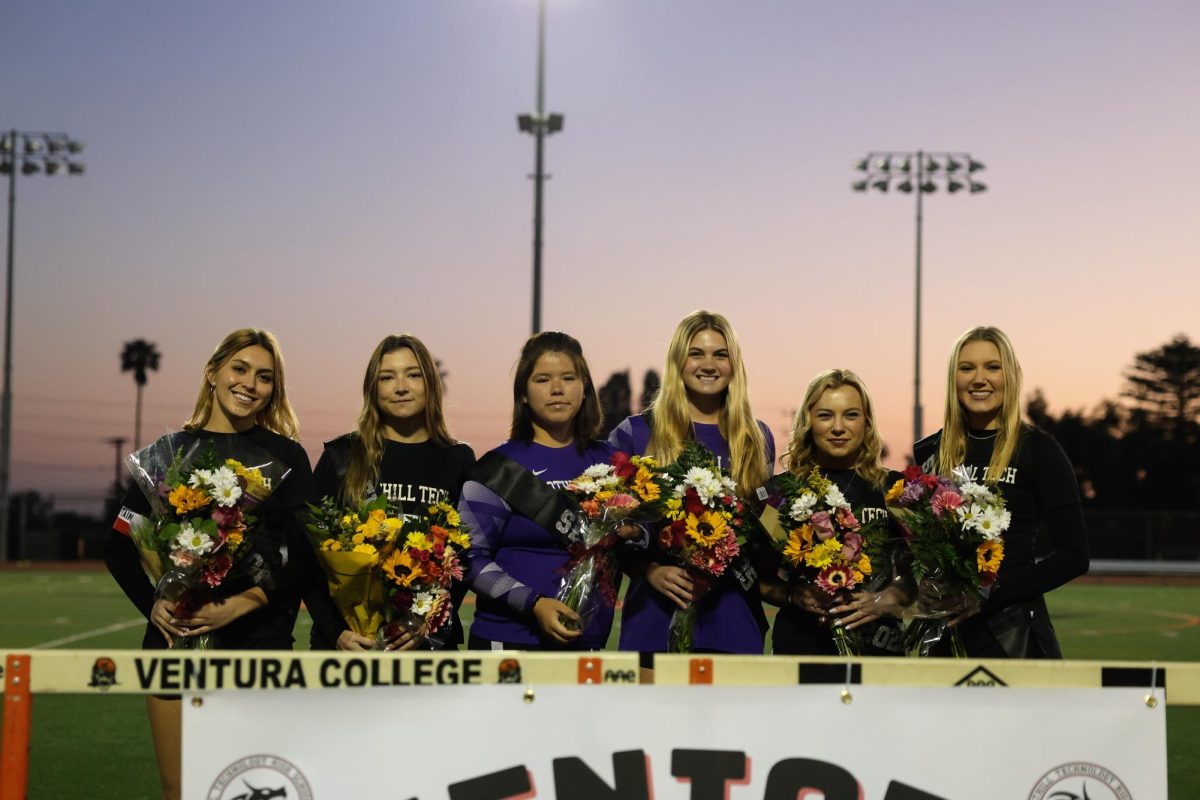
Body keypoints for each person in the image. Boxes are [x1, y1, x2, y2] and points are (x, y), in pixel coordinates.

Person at [104, 328, 314, 800]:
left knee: (255, 789)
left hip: (258, 646)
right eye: (240, 369)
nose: (250, 384)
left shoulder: (287, 456)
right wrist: (155, 606)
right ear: (213, 372)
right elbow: (117, 544)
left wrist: (244, 602)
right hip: (173, 647)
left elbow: (306, 558)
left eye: (264, 377)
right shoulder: (169, 454)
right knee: (180, 792)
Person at [609, 310, 775, 672]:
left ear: (734, 364)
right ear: (677, 362)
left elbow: (760, 534)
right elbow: (611, 532)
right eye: (696, 353)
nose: (708, 364)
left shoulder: (756, 438)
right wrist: (649, 570)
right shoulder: (636, 433)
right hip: (655, 615)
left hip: (733, 619)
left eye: (720, 354)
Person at [913, 326, 1089, 658]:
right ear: (954, 378)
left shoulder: (1039, 450)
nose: (979, 379)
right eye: (967, 368)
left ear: (1010, 375)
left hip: (1013, 635)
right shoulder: (930, 453)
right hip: (944, 634)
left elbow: (1074, 557)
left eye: (992, 367)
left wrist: (989, 594)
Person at [303, 334, 475, 651]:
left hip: (423, 648)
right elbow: (306, 555)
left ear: (431, 384)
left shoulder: (459, 459)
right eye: (387, 377)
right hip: (349, 646)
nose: (401, 387)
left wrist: (430, 621)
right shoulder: (342, 456)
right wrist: (335, 631)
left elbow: (466, 559)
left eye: (413, 374)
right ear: (373, 388)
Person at [459, 331, 626, 651]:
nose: (557, 389)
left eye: (568, 377)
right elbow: (470, 560)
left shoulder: (613, 463)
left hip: (586, 646)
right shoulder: (495, 468)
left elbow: (639, 545)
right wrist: (534, 604)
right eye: (542, 379)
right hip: (506, 642)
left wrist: (633, 531)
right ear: (523, 392)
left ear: (585, 388)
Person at [760, 369, 910, 656]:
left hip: (879, 650)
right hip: (801, 648)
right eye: (826, 415)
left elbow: (914, 576)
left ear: (866, 422)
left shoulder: (895, 489)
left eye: (851, 415)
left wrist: (890, 596)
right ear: (808, 422)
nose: (838, 427)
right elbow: (760, 580)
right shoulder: (779, 493)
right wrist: (793, 594)